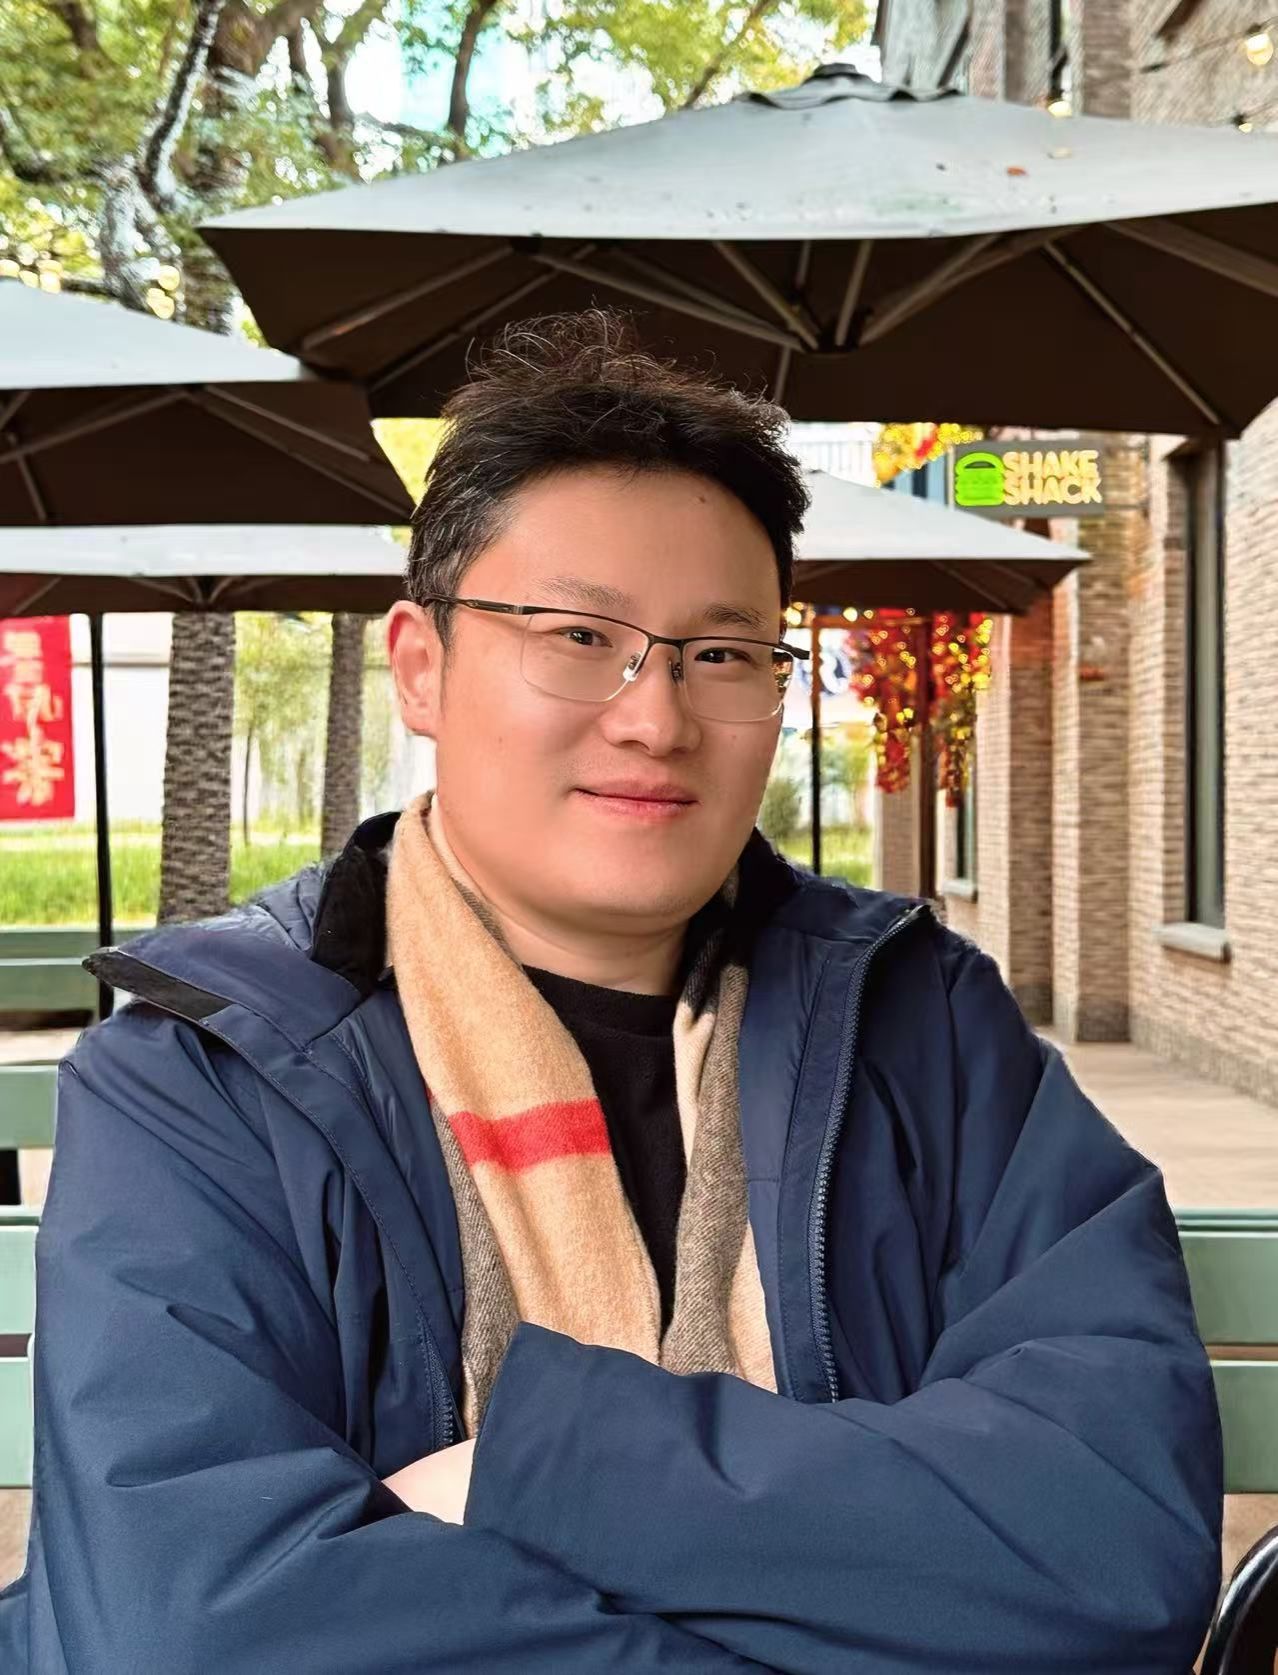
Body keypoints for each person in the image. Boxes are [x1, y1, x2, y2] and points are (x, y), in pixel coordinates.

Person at [0, 310, 1222, 1673]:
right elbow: (189, 1630)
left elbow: (1116, 1545)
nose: (655, 718)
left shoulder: (924, 1026)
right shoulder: (205, 1076)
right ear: (420, 667)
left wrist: (544, 1465)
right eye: (578, 635)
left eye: (723, 653)